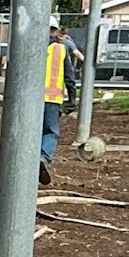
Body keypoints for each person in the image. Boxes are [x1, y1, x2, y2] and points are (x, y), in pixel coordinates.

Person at [40, 24, 75, 184]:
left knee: (28, 133)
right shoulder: (60, 50)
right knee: (50, 132)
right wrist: (72, 100)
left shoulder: (27, 45)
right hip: (52, 100)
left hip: (29, 101)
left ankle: (23, 164)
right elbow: (69, 76)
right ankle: (43, 157)